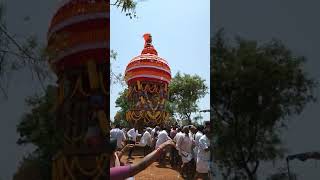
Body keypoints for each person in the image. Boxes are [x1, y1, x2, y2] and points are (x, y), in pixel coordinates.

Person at [110, 140, 176, 180]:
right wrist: (162, 147)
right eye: (115, 151)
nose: (116, 153)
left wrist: (123, 150)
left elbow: (117, 159)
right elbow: (141, 165)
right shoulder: (112, 173)